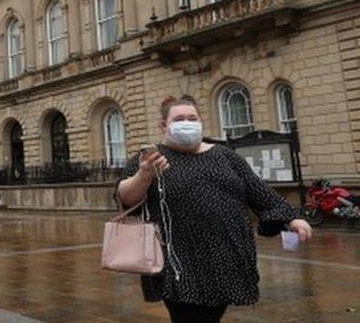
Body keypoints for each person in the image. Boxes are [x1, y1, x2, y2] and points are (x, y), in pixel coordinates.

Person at [116, 95, 312, 323]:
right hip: (179, 259)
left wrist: (292, 219)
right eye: (179, 119)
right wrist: (144, 174)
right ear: (164, 125)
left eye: (192, 117)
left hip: (226, 255)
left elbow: (258, 190)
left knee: (212, 315)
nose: (187, 122)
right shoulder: (150, 158)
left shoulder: (225, 155)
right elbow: (125, 198)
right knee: (189, 316)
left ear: (201, 121)